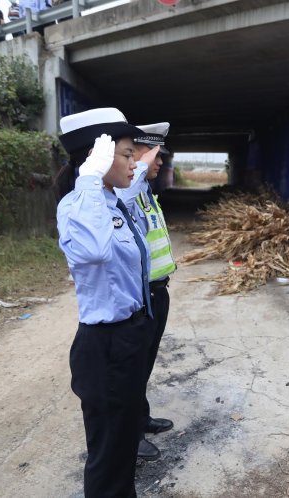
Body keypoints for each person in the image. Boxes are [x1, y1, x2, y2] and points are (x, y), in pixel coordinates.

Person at [56, 107, 160, 497]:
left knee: (122, 449)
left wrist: (148, 148)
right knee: (109, 454)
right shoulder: (77, 206)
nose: (135, 163)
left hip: (131, 334)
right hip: (106, 345)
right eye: (127, 154)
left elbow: (135, 183)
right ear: (95, 158)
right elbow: (94, 252)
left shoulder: (113, 201)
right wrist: (87, 178)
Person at [116, 123, 177, 461]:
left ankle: (141, 417)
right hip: (142, 296)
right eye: (155, 156)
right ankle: (131, 435)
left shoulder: (147, 192)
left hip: (158, 291)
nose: (160, 164)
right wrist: (138, 165)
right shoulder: (126, 191)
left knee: (145, 364)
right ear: (138, 155)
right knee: (133, 368)